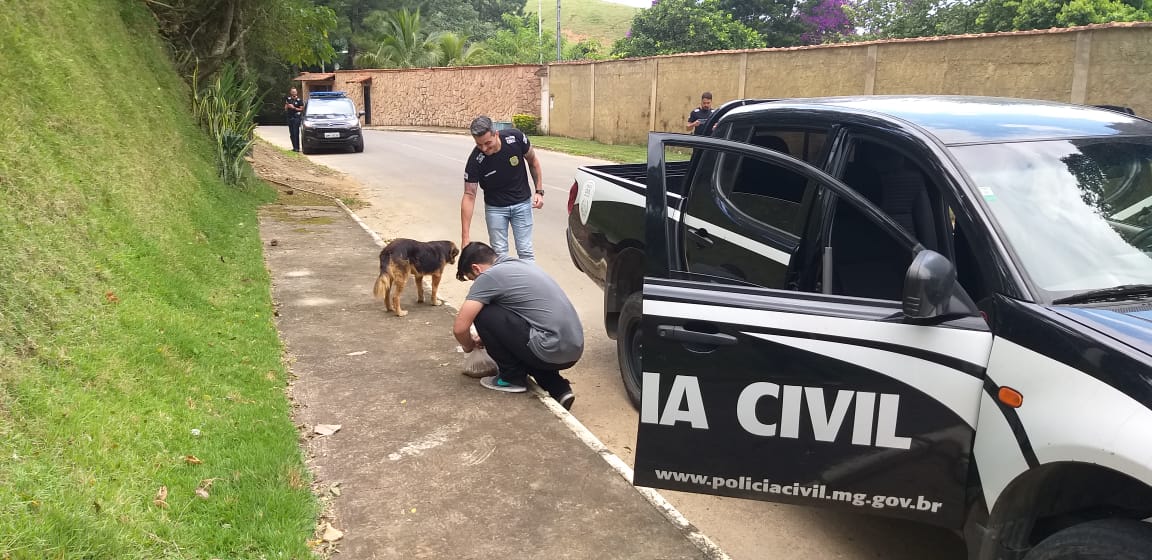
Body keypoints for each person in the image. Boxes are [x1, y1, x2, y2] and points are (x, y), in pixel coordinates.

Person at [452, 241, 582, 410]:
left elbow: (460, 328)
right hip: (573, 349)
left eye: (473, 279)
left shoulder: (489, 276)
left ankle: (510, 378)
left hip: (548, 348)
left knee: (484, 313)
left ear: (476, 269)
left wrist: (470, 346)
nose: (475, 283)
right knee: (528, 342)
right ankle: (559, 389)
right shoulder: (520, 265)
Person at [461, 116, 544, 261]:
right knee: (499, 255)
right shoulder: (475, 160)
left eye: (488, 143)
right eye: (479, 145)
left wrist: (539, 191)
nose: (484, 149)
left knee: (525, 251)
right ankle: (505, 284)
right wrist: (465, 237)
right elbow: (469, 195)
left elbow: (533, 161)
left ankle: (528, 283)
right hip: (496, 209)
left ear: (496, 134)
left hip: (522, 204)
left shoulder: (516, 138)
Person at [284, 87, 303, 152]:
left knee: (296, 133)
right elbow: (286, 109)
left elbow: (301, 109)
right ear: (290, 92)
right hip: (290, 117)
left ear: (296, 92)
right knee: (291, 134)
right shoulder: (288, 99)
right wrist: (287, 105)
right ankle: (294, 147)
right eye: (292, 92)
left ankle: (297, 148)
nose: (293, 93)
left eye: (295, 92)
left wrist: (294, 108)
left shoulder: (299, 100)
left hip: (296, 118)